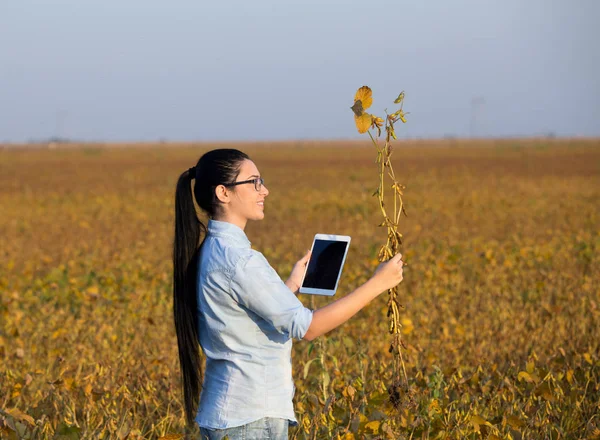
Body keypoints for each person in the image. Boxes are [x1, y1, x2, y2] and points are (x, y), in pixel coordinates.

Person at [172, 149, 404, 440]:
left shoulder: (213, 250)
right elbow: (308, 327)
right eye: (254, 182)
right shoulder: (241, 261)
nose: (264, 190)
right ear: (223, 192)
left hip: (226, 414)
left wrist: (290, 286)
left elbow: (242, 317)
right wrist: (378, 284)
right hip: (251, 418)